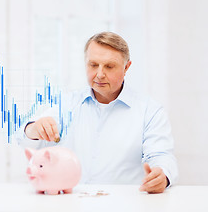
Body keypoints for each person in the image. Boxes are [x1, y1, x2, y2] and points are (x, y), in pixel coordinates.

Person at [19, 32, 178, 194]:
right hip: (71, 203)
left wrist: (162, 175)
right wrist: (32, 129)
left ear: (126, 67)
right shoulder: (66, 103)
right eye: (93, 65)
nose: (100, 74)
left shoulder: (149, 111)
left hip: (124, 203)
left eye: (109, 66)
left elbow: (161, 155)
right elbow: (26, 138)